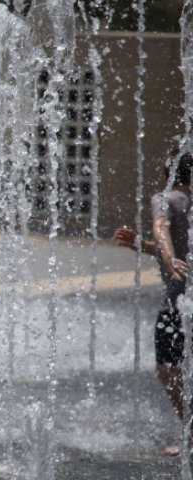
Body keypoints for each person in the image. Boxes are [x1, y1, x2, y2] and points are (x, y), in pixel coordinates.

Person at [113, 149, 193, 457]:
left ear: (168, 173)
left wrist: (170, 257)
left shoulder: (164, 198)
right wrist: (142, 245)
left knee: (167, 369)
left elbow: (162, 229)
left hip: (179, 301)